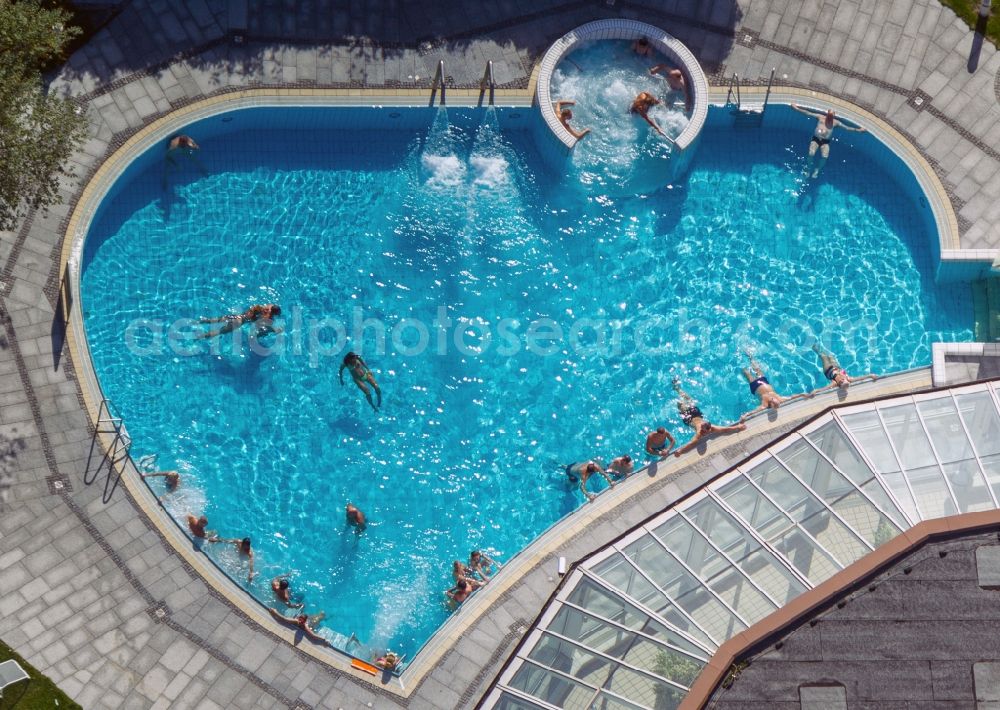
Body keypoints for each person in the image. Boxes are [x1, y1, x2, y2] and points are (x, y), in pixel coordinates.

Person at [672, 379, 746, 457]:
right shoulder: (710, 427)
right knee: (688, 399)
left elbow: (692, 443)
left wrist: (680, 451)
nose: (701, 426)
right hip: (696, 414)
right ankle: (677, 389)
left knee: (679, 404)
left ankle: (676, 392)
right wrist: (738, 426)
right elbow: (725, 429)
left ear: (704, 429)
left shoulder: (699, 433)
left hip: (688, 418)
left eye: (702, 426)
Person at [790, 103, 866, 177]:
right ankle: (809, 168)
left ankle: (817, 170)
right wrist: (796, 108)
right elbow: (808, 113)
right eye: (829, 114)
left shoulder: (836, 123)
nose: (830, 116)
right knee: (811, 153)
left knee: (825, 157)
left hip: (825, 142)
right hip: (816, 139)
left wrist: (859, 130)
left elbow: (847, 128)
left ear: (834, 116)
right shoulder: (820, 117)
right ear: (827, 114)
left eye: (832, 115)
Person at [739, 353, 812, 419]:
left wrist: (746, 415)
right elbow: (792, 397)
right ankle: (750, 356)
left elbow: (755, 411)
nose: (772, 399)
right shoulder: (780, 399)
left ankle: (740, 362)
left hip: (755, 387)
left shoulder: (765, 405)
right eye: (774, 399)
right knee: (757, 369)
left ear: (771, 405)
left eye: (772, 401)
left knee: (747, 374)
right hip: (764, 382)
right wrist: (802, 394)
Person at [811, 342, 878, 391]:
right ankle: (822, 345)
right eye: (843, 380)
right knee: (831, 356)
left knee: (823, 356)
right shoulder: (848, 378)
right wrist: (870, 376)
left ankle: (815, 349)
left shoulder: (834, 383)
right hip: (836, 367)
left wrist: (816, 391)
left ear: (839, 385)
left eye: (840, 382)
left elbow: (824, 389)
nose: (841, 380)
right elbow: (861, 378)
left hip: (828, 369)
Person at [198, 304, 282, 339]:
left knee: (220, 319)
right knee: (220, 331)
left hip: (240, 316)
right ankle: (201, 336)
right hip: (239, 322)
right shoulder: (268, 317)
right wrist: (273, 330)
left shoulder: (268, 306)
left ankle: (202, 321)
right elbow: (259, 328)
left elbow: (254, 308)